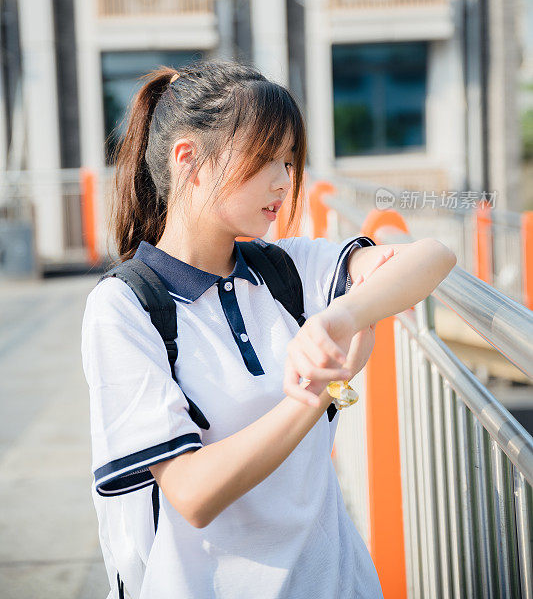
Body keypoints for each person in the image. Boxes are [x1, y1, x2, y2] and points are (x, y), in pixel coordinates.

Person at [81, 60, 457, 599]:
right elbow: (191, 493)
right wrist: (316, 391)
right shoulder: (125, 307)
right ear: (190, 160)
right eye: (265, 159)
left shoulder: (285, 269)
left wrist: (339, 317)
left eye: (288, 160)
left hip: (337, 581)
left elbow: (433, 257)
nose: (284, 180)